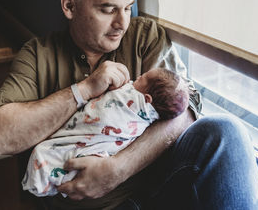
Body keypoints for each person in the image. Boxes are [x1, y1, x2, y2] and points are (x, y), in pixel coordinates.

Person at [0, 0, 258, 209]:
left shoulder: (143, 38)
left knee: (227, 131)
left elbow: (185, 111)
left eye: (127, 7)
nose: (122, 22)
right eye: (108, 9)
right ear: (69, 6)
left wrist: (118, 169)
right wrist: (82, 90)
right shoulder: (38, 56)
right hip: (84, 204)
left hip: (156, 191)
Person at [22, 68, 189, 197]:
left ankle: (45, 177)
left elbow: (190, 107)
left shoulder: (135, 101)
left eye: (141, 78)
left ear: (147, 100)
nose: (136, 78)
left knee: (45, 153)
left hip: (125, 191)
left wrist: (119, 167)